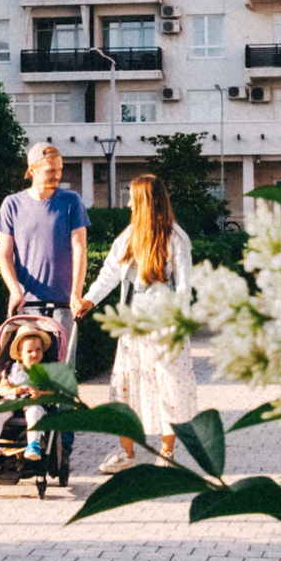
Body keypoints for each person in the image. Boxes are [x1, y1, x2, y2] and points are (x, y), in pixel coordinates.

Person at [78, 173, 196, 472]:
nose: (128, 203)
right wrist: (89, 299)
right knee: (125, 388)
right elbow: (109, 273)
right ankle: (126, 453)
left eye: (132, 197)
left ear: (145, 201)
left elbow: (183, 287)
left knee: (169, 389)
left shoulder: (176, 239)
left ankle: (166, 453)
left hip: (165, 328)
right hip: (133, 330)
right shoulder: (128, 238)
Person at [0, 142, 91, 359]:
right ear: (32, 170)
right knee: (24, 375)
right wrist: (14, 290)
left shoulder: (71, 201)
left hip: (63, 304)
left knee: (60, 377)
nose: (57, 175)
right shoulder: (12, 205)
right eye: (50, 170)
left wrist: (76, 294)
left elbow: (79, 250)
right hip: (25, 306)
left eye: (59, 170)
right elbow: (4, 255)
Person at [0, 326, 56, 460]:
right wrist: (13, 390)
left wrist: (39, 393)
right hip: (12, 401)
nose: (34, 354)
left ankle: (33, 445)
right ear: (20, 354)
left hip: (33, 403)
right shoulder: (11, 368)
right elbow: (1, 389)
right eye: (29, 351)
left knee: (34, 413)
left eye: (38, 350)